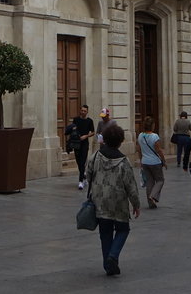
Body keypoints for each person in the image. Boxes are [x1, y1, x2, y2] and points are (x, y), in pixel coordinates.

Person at [85, 123, 140, 276]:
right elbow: (131, 185)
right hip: (119, 203)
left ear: (105, 139)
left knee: (105, 233)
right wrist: (136, 204)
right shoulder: (124, 161)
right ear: (120, 141)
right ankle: (113, 256)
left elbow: (88, 174)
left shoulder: (96, 156)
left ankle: (108, 264)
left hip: (100, 201)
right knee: (123, 229)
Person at [135, 117, 166, 208]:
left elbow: (139, 149)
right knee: (160, 180)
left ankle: (151, 203)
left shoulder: (140, 136)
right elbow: (158, 150)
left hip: (145, 161)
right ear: (152, 126)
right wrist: (163, 160)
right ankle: (153, 196)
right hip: (155, 162)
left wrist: (141, 160)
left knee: (149, 182)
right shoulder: (155, 136)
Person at [69, 104, 96, 191]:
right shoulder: (76, 120)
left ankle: (80, 181)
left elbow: (93, 132)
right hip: (76, 143)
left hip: (84, 144)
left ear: (87, 112)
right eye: (82, 110)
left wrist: (86, 136)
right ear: (80, 111)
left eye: (85, 111)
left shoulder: (89, 121)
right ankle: (83, 175)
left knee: (82, 161)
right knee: (78, 161)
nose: (83, 112)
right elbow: (72, 128)